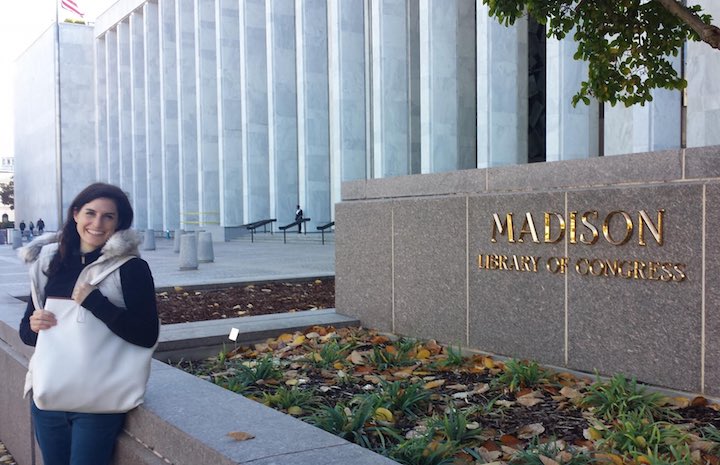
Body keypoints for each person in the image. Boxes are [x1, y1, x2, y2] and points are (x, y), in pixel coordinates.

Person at [18, 183, 159, 465]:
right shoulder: (48, 262)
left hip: (99, 400)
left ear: (120, 223)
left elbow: (146, 335)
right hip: (49, 396)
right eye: (90, 213)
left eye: (109, 216)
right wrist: (34, 324)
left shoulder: (130, 268)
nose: (97, 223)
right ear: (75, 215)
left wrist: (95, 302)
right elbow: (28, 335)